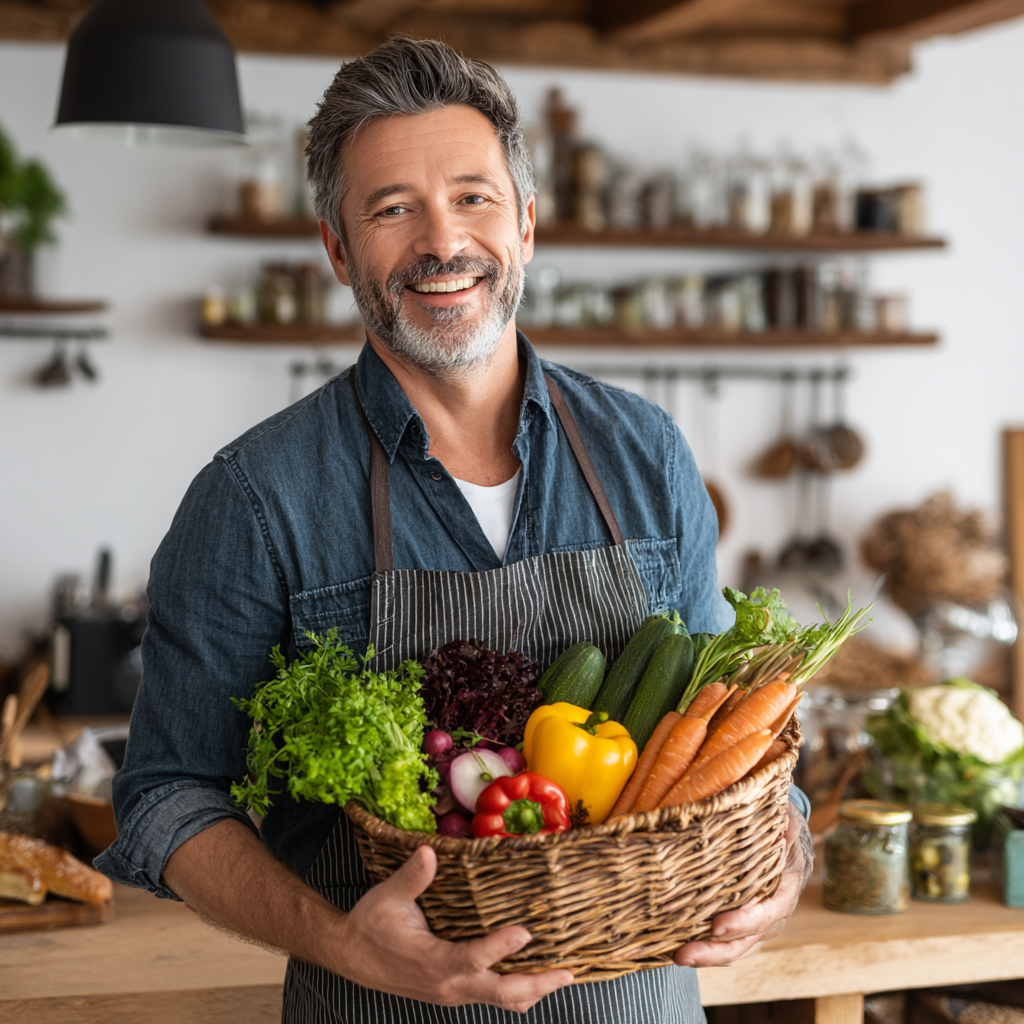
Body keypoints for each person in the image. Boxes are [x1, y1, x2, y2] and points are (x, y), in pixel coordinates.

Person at [97, 36, 812, 1024]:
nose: (442, 242)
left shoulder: (645, 452)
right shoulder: (255, 497)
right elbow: (168, 794)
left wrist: (784, 857)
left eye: (474, 197)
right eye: (392, 209)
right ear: (339, 250)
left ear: (524, 224)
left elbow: (742, 725)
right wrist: (342, 941)